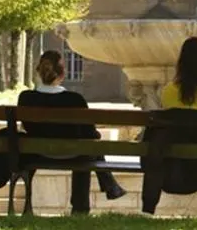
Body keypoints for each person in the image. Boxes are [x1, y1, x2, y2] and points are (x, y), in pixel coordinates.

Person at [17, 51, 127, 215]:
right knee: (88, 147)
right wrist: (95, 136)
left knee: (86, 146)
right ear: (63, 73)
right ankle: (82, 206)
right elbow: (89, 133)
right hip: (73, 153)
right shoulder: (74, 99)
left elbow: (26, 126)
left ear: (39, 71)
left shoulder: (26, 98)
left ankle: (27, 207)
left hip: (37, 152)